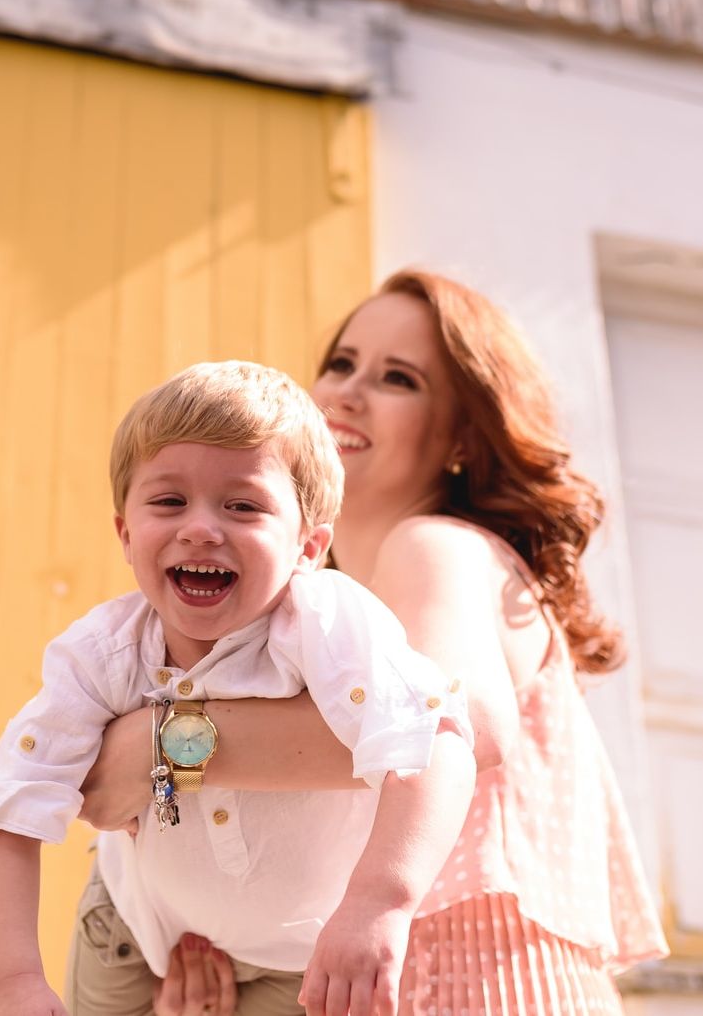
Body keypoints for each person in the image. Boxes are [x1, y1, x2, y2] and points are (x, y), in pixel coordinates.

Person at [80, 271, 668, 1016]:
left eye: (397, 378)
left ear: (461, 435)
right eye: (340, 363)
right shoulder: (314, 614)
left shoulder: (432, 547)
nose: (346, 393)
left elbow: (461, 721)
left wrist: (160, 748)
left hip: (472, 983)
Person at [0, 360, 477, 1016]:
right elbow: (9, 810)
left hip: (303, 950)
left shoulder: (328, 624)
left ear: (308, 546)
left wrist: (379, 904)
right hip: (133, 929)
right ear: (124, 532)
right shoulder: (100, 655)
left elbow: (434, 744)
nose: (201, 527)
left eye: (242, 505)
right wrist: (13, 985)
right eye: (169, 501)